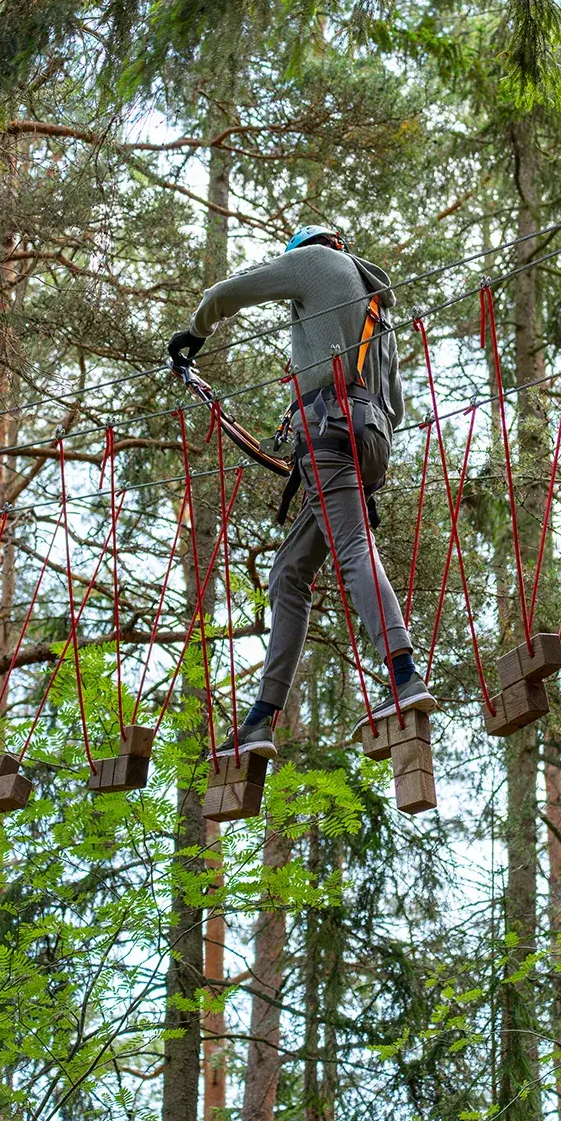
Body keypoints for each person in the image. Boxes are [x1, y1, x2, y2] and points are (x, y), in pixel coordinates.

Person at [169, 224, 436, 758]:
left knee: (353, 547)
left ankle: (404, 675)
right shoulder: (376, 305)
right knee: (288, 573)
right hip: (369, 441)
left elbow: (226, 294)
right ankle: (261, 719)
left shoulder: (313, 260)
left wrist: (192, 336)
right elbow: (398, 407)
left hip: (328, 432)